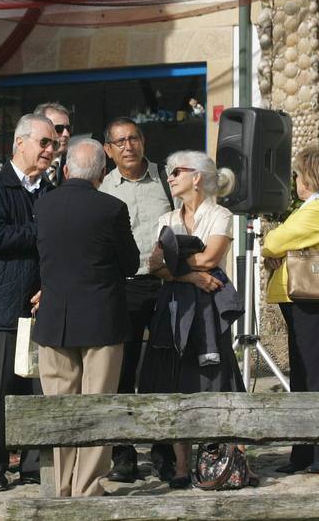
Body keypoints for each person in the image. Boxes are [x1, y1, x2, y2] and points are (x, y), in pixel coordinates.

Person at [33, 138, 138, 497]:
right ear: (103, 173)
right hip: (100, 320)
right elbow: (130, 263)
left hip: (54, 321)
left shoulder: (43, 205)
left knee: (61, 409)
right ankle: (88, 486)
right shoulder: (112, 208)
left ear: (65, 171)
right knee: (97, 404)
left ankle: (62, 486)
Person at [140, 150, 242, 487]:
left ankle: (215, 458)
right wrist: (191, 277)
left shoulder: (220, 214)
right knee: (175, 380)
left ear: (196, 177)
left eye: (176, 172)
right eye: (169, 172)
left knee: (211, 377)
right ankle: (181, 466)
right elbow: (155, 266)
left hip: (208, 311)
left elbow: (213, 256)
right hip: (175, 306)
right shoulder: (167, 219)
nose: (169, 177)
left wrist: (177, 265)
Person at [0, 112, 57, 491]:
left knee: (41, 386)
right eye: (44, 142)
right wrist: (42, 231)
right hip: (3, 304)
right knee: (0, 389)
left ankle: (34, 464)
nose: (51, 150)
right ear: (20, 143)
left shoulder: (52, 192)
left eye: (54, 144)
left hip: (45, 303)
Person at [262, 146, 319, 474]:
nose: (296, 181)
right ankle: (305, 450)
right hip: (307, 300)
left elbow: (275, 241)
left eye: (299, 175)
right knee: (305, 375)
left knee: (318, 377)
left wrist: (276, 248)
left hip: (317, 299)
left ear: (310, 177)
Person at [98, 116, 174, 482]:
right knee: (121, 372)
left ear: (143, 141)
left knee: (162, 372)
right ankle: (123, 455)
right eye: (120, 142)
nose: (129, 147)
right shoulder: (103, 188)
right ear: (108, 150)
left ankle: (165, 452)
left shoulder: (167, 178)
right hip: (123, 288)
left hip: (164, 285)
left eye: (134, 139)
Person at [34, 103, 72, 186]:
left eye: (68, 129)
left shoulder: (75, 165)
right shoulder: (28, 166)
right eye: (59, 129)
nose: (66, 134)